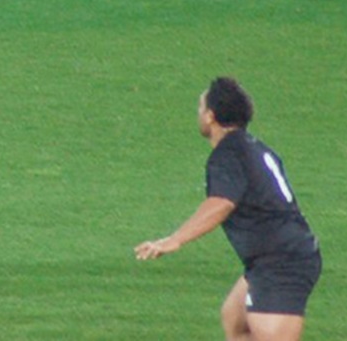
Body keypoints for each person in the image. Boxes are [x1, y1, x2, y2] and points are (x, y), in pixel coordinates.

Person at [135, 78, 321, 341]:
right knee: (235, 319)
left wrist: (175, 240)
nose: (199, 113)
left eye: (200, 108)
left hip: (281, 262)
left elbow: (221, 203)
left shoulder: (228, 154)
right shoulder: (253, 147)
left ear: (210, 116)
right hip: (275, 256)